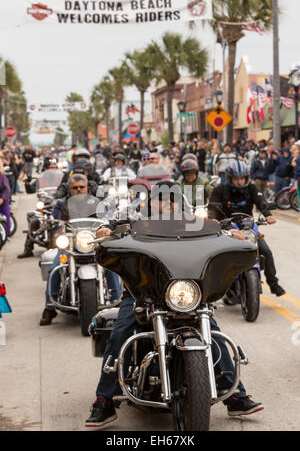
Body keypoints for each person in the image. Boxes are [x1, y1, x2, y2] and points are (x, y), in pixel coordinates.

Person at [85, 181, 264, 428]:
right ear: (150, 201)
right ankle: (104, 401)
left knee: (213, 333)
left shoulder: (194, 222)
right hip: (142, 293)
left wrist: (233, 234)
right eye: (162, 198)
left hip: (182, 292)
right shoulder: (134, 220)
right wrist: (105, 230)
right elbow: (111, 227)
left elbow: (218, 229)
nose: (167, 204)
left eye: (172, 199)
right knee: (120, 333)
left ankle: (234, 395)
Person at [39, 174, 121, 326]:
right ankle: (49, 307)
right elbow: (55, 220)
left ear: (87, 188)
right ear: (69, 189)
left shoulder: (97, 203)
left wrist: (111, 223)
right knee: (55, 268)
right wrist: (52, 222)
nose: (79, 190)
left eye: (81, 187)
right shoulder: (62, 204)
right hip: (71, 244)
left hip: (92, 242)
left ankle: (117, 302)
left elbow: (107, 218)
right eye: (75, 188)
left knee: (111, 265)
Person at [208, 160, 286, 297]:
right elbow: (213, 208)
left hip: (247, 226)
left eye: (242, 178)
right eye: (236, 178)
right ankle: (218, 287)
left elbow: (260, 201)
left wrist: (268, 215)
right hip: (227, 227)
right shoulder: (220, 190)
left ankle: (273, 284)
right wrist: (213, 218)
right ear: (230, 178)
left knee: (266, 251)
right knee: (219, 255)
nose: (239, 181)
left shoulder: (251, 188)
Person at [0, 162, 11, 239]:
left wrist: (2, 199)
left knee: (6, 217)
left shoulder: (2, 176)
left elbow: (7, 189)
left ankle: (7, 235)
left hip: (2, 201)